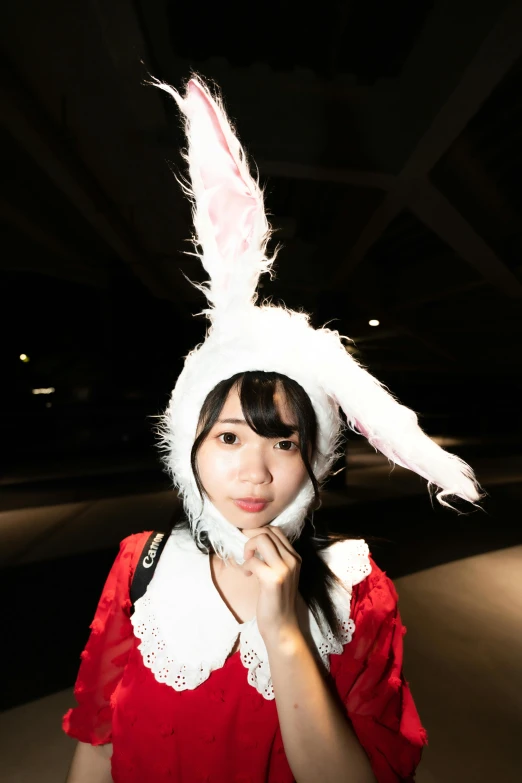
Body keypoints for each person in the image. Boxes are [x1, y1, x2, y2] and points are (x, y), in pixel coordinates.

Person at [63, 76, 483, 783]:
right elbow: (96, 743)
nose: (255, 471)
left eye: (284, 440)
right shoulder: (140, 569)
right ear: (189, 446)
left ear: (315, 457)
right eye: (228, 437)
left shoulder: (359, 595)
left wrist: (285, 629)